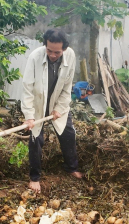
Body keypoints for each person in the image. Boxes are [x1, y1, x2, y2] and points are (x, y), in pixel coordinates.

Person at [21, 29, 83, 193]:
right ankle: (35, 177)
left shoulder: (70, 56)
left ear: (64, 49)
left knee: (68, 133)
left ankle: (71, 167)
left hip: (57, 100)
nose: (53, 55)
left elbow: (67, 86)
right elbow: (27, 89)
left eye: (57, 52)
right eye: (49, 50)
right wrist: (29, 116)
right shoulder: (35, 57)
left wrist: (59, 108)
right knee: (36, 139)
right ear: (45, 45)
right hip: (38, 101)